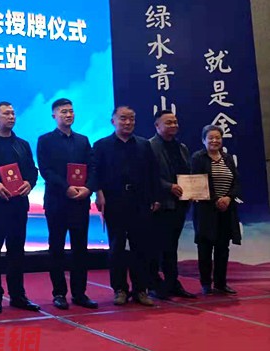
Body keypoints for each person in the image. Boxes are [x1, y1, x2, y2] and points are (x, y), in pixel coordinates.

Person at [0, 102, 40, 314]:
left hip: (18, 204)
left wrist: (29, 183)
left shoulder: (22, 144)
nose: (11, 117)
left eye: (13, 113)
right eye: (6, 113)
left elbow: (32, 170)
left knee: (17, 251)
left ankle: (17, 294)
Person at [93, 106, 160, 307]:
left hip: (140, 201)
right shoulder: (102, 145)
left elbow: (153, 173)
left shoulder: (144, 145)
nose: (128, 122)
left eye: (131, 118)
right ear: (113, 121)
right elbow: (95, 173)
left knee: (141, 247)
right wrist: (98, 193)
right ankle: (120, 289)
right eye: (123, 118)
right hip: (114, 201)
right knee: (117, 247)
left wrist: (155, 198)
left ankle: (141, 290)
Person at [37, 98, 98, 310]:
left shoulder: (83, 140)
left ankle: (80, 293)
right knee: (56, 249)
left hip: (80, 201)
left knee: (80, 249)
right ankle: (59, 293)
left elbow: (92, 167)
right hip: (57, 202)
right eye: (63, 111)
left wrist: (88, 188)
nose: (68, 115)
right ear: (54, 115)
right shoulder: (45, 140)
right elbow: (45, 170)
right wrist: (66, 188)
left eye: (71, 111)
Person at [148, 110, 196, 299]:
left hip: (179, 205)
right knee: (156, 246)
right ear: (157, 126)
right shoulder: (149, 146)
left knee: (171, 246)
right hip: (160, 205)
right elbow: (147, 176)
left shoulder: (181, 147)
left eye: (175, 122)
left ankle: (172, 282)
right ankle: (154, 284)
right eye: (168, 123)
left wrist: (193, 190)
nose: (173, 125)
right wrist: (169, 187)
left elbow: (187, 173)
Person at [190, 125, 242, 295]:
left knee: (223, 247)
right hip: (206, 211)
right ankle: (206, 283)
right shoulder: (198, 158)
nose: (214, 141)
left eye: (218, 138)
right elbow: (197, 183)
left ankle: (221, 283)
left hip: (227, 210)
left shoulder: (227, 158)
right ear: (203, 140)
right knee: (205, 248)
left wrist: (228, 198)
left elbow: (236, 182)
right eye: (210, 138)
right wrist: (216, 200)